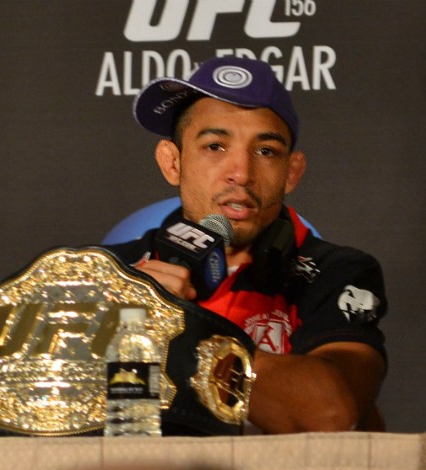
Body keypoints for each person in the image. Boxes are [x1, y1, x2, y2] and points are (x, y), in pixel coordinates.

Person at [106, 56, 387, 434]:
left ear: (292, 172)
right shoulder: (112, 274)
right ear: (172, 162)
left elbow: (329, 415)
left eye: (266, 151)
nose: (241, 173)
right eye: (215, 146)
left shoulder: (337, 271)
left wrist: (183, 326)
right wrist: (115, 325)